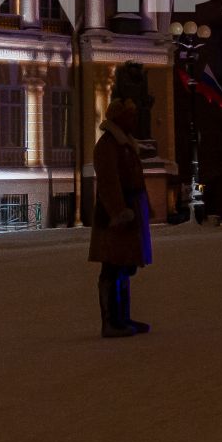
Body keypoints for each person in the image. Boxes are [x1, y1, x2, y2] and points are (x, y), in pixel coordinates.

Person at [88, 98, 151, 339]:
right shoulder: (108, 146)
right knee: (112, 266)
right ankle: (111, 322)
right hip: (115, 217)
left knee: (124, 266)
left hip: (128, 212)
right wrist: (119, 211)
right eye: (130, 116)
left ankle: (122, 317)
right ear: (118, 118)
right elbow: (108, 183)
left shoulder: (124, 144)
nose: (134, 120)